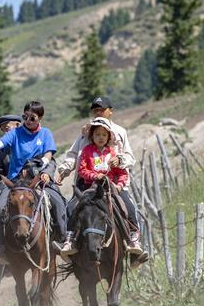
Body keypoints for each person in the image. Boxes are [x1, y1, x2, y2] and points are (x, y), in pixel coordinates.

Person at [54, 97, 146, 263]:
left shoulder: (120, 132)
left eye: (101, 109)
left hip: (113, 183)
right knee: (71, 207)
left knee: (129, 208)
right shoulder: (85, 134)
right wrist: (63, 170)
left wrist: (120, 162)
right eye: (95, 110)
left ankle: (133, 246)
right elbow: (74, 155)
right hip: (87, 183)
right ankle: (70, 242)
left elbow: (130, 158)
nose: (98, 112)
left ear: (110, 111)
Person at [0, 101, 68, 264]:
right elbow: (2, 142)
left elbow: (49, 154)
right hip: (15, 182)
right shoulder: (16, 133)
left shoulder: (46, 133)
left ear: (40, 118)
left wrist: (44, 166)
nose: (28, 121)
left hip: (38, 180)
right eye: (25, 117)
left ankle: (63, 239)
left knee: (59, 201)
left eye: (32, 118)